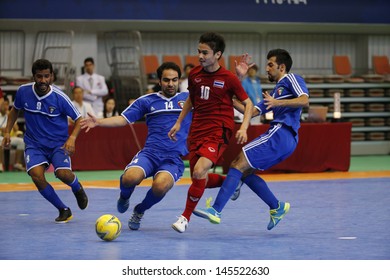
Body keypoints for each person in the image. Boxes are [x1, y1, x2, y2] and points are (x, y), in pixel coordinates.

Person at [193, 48, 310, 230]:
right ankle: (276, 207)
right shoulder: (274, 92)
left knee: (237, 163)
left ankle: (216, 210)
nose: (267, 69)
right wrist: (227, 96)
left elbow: (304, 100)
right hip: (283, 138)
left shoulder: (291, 79)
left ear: (282, 66)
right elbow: (251, 110)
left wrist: (277, 103)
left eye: (270, 65)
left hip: (281, 133)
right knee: (245, 172)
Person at [80, 62, 192, 231]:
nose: (171, 84)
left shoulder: (189, 100)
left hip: (172, 159)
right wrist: (99, 122)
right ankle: (124, 197)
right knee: (130, 178)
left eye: (174, 80)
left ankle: (140, 210)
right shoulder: (147, 100)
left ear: (179, 80)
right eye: (166, 80)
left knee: (160, 186)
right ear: (159, 81)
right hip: (150, 154)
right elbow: (123, 119)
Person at [168, 32, 254, 233]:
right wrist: (179, 122)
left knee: (198, 171)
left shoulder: (229, 78)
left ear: (217, 54)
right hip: (197, 130)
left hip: (218, 130)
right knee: (200, 179)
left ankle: (184, 218)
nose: (200, 56)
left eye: (205, 52)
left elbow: (248, 104)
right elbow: (191, 98)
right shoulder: (195, 74)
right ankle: (232, 183)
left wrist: (243, 127)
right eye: (198, 51)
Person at [1, 58, 88, 223]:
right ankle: (63, 209)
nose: (43, 80)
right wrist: (7, 131)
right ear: (33, 76)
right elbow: (14, 111)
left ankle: (77, 188)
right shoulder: (23, 91)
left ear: (52, 76)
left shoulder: (60, 97)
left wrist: (72, 138)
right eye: (39, 76)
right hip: (34, 144)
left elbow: (78, 119)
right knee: (36, 175)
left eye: (46, 76)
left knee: (63, 174)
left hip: (58, 144)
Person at [0, 99, 25, 172]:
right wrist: (2, 129)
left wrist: (9, 117)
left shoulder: (10, 114)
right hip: (1, 137)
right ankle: (0, 164)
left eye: (7, 105)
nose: (5, 107)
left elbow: (16, 128)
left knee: (21, 141)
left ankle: (17, 164)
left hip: (10, 137)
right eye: (3, 105)